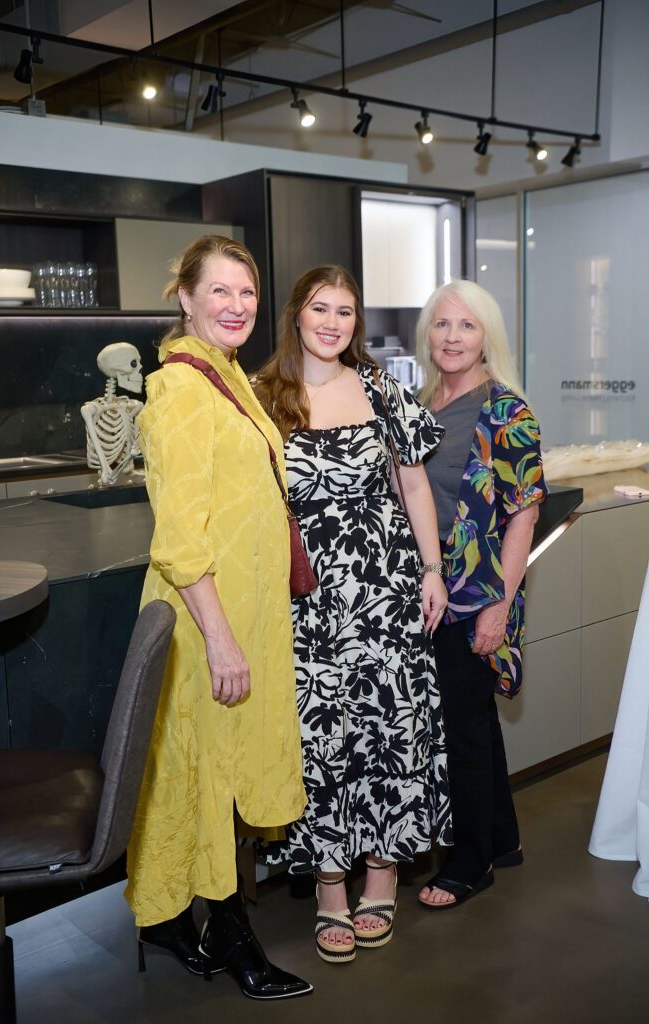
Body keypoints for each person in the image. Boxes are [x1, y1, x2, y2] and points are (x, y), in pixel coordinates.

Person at [125, 235, 312, 1000]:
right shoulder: (178, 389)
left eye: (248, 293)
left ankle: (165, 923)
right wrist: (222, 636)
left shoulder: (226, 375)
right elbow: (178, 534)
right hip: (207, 621)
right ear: (185, 297)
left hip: (245, 615)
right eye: (220, 292)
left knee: (201, 774)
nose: (237, 306)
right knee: (208, 779)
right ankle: (231, 935)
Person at [254, 265, 452, 963]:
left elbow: (413, 482)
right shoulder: (261, 398)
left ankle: (383, 874)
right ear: (295, 317)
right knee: (320, 742)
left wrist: (431, 571)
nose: (333, 322)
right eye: (319, 308)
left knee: (387, 732)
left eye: (344, 311)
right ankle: (330, 889)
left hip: (386, 591)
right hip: (304, 603)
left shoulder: (378, 387)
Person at [415, 280, 547, 910]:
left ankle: (470, 864)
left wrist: (499, 605)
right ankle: (502, 837)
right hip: (431, 588)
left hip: (475, 595)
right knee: (474, 718)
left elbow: (524, 512)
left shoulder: (506, 410)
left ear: (487, 335)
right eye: (442, 325)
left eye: (466, 326)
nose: (452, 337)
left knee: (461, 725)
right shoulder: (422, 401)